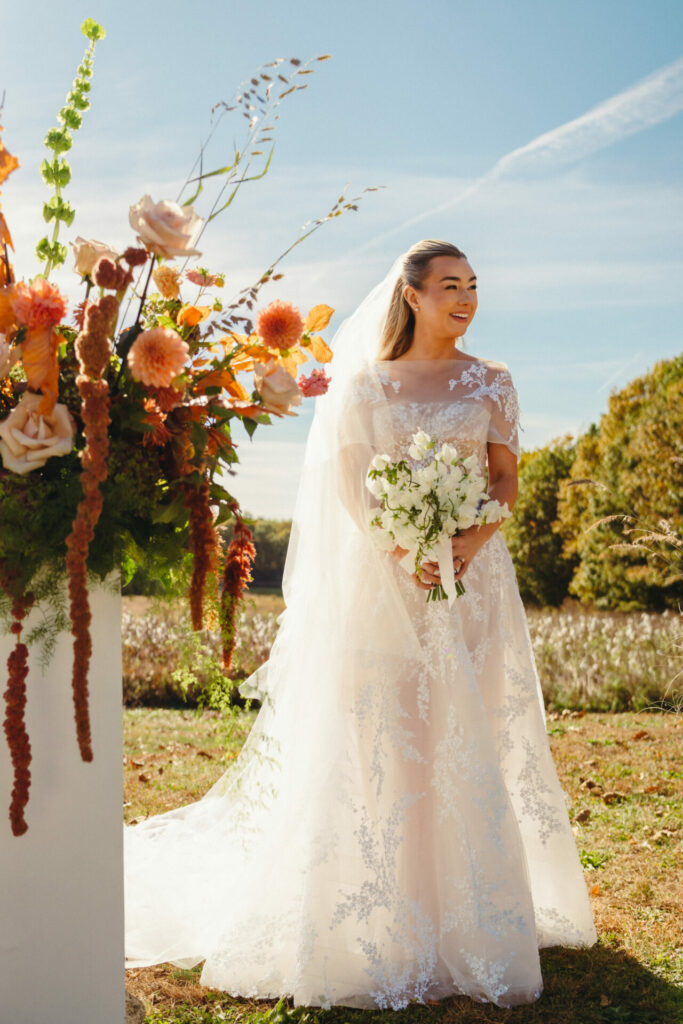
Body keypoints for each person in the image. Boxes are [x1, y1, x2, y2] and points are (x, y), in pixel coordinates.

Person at [124, 239, 598, 1011]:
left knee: (465, 735)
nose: (465, 298)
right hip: (386, 588)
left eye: (473, 285)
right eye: (450, 285)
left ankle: (473, 915)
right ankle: (388, 917)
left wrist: (466, 542)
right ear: (411, 295)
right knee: (391, 744)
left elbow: (505, 478)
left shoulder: (493, 381)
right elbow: (350, 487)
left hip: (474, 586)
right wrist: (406, 550)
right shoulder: (363, 386)